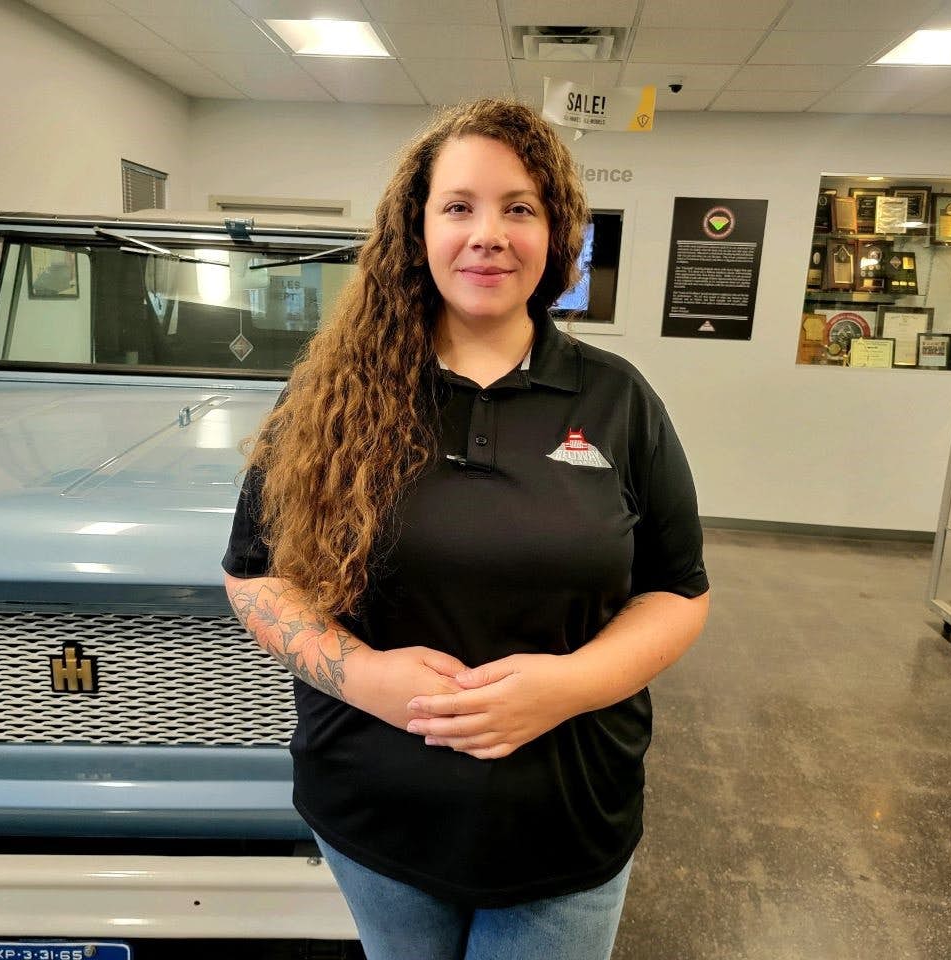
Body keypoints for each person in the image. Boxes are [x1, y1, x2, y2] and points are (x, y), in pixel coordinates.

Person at [223, 98, 710, 960]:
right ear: (417, 230)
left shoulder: (618, 400)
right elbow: (256, 577)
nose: (488, 233)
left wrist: (570, 685)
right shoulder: (329, 397)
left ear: (555, 234)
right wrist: (364, 675)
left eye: (519, 207)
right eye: (459, 206)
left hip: (565, 828)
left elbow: (676, 591)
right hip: (375, 821)